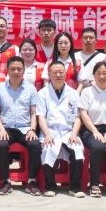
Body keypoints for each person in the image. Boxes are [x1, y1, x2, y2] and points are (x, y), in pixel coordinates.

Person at [0, 56, 43, 196]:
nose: (16, 72)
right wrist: (1, 129)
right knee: (1, 144)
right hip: (6, 128)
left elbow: (33, 112)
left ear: (23, 70)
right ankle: (5, 181)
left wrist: (32, 129)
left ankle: (31, 181)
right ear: (7, 70)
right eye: (13, 69)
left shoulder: (31, 89)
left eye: (19, 69)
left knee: (35, 145)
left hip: (25, 128)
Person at [37, 61, 85, 198]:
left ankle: (75, 188)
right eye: (54, 72)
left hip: (68, 131)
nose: (58, 75)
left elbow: (78, 117)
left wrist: (74, 134)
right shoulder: (42, 93)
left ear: (65, 74)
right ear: (49, 74)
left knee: (77, 150)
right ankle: (50, 186)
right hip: (50, 131)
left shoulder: (73, 93)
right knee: (48, 149)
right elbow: (41, 116)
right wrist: (47, 134)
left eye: (61, 72)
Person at [78, 61, 106, 198]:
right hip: (91, 129)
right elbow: (83, 113)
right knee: (97, 147)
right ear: (94, 75)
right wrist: (95, 131)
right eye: (98, 73)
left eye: (105, 73)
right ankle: (94, 184)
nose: (102, 76)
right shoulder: (87, 92)